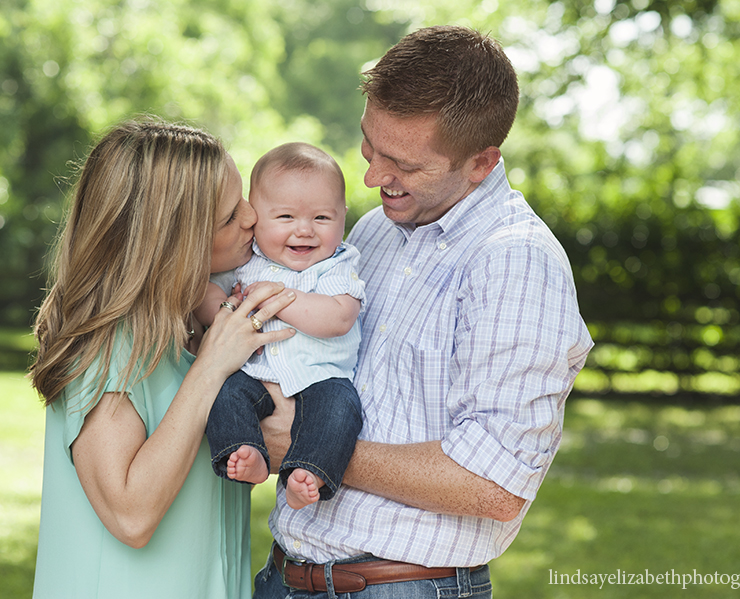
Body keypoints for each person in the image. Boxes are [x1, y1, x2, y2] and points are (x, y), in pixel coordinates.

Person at [253, 25, 594, 599]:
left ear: (481, 162)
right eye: (369, 148)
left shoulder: (515, 262)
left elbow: (493, 482)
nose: (372, 178)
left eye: (403, 165)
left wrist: (309, 447)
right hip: (286, 575)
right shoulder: (375, 232)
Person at [28, 118, 297, 599]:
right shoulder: (108, 347)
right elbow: (131, 516)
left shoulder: (187, 334)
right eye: (229, 215)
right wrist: (213, 366)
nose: (252, 216)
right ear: (174, 239)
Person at [196, 142, 365, 510]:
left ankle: (308, 471)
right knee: (223, 394)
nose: (304, 231)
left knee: (341, 410)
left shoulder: (336, 264)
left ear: (343, 217)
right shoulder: (246, 261)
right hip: (254, 372)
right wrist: (231, 310)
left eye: (322, 218)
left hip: (320, 376)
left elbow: (338, 317)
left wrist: (279, 300)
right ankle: (245, 451)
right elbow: (207, 295)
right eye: (286, 218)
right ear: (256, 216)